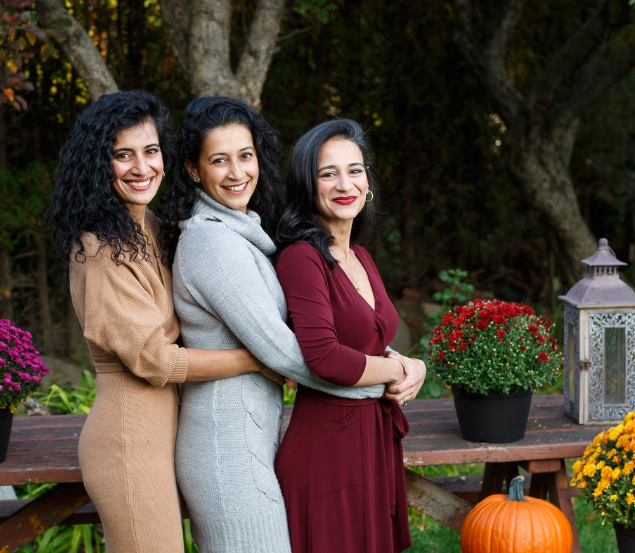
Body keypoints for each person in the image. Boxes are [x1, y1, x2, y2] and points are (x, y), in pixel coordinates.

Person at [44, 91, 279, 553]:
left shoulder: (151, 228)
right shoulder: (99, 249)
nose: (141, 166)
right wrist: (257, 358)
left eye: (150, 151)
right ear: (99, 163)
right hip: (129, 441)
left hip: (166, 434)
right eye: (122, 155)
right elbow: (155, 361)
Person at [156, 97, 389, 553]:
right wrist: (380, 383)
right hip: (227, 453)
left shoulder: (245, 234)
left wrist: (389, 363)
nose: (237, 172)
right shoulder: (212, 243)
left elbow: (308, 337)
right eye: (218, 160)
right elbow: (283, 352)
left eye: (245, 156)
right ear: (192, 170)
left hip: (253, 441)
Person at [273, 118, 426, 553]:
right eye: (328, 173)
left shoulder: (358, 254)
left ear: (368, 182)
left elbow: (372, 342)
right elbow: (324, 357)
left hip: (371, 438)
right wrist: (399, 367)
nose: (345, 183)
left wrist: (416, 364)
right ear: (307, 185)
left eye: (355, 170)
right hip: (328, 450)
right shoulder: (302, 258)